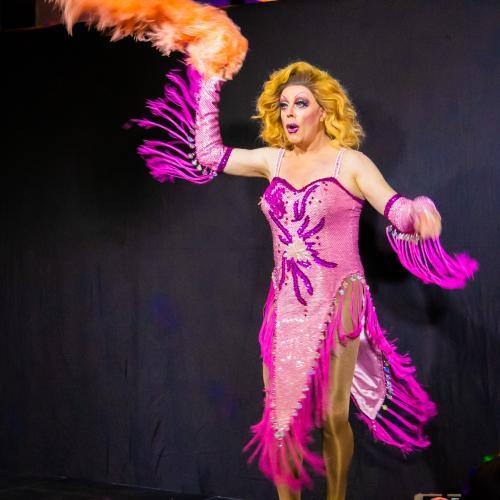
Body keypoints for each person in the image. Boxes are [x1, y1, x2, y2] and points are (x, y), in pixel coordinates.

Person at [50, 2, 477, 497]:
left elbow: (395, 207)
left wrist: (419, 214)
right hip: (286, 302)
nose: (290, 113)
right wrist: (210, 75)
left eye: (300, 104)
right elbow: (208, 154)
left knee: (333, 417)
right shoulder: (272, 161)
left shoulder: (350, 164)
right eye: (284, 105)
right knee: (281, 424)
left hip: (340, 296)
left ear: (323, 111)